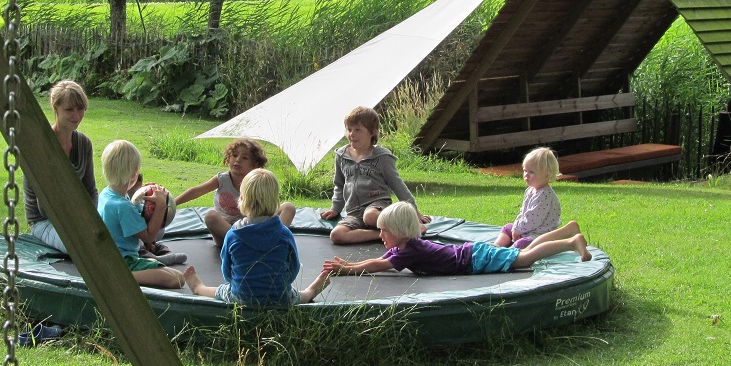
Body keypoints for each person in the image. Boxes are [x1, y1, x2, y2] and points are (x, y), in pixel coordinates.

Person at [323, 201, 590, 278]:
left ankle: (570, 242)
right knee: (523, 252)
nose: (380, 236)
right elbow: (381, 260)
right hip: (471, 253)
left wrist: (347, 269)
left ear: (400, 232)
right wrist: (347, 266)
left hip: (474, 259)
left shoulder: (408, 252)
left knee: (525, 257)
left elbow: (377, 266)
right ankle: (567, 235)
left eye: (384, 232)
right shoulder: (406, 246)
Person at [183, 169, 331, 305]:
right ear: (276, 201)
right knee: (297, 296)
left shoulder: (233, 234)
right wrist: (281, 285)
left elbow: (227, 271)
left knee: (221, 290)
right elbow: (294, 268)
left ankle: (199, 288)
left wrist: (237, 284)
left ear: (241, 199)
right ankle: (311, 291)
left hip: (242, 297)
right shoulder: (284, 233)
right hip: (279, 299)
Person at [320, 106, 429, 244]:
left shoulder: (382, 157)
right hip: (354, 212)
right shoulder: (341, 155)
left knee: (370, 216)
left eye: (357, 130)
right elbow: (339, 184)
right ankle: (383, 234)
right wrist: (335, 208)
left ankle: (406, 227)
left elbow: (397, 185)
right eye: (349, 129)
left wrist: (414, 212)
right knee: (336, 235)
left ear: (372, 132)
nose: (351, 134)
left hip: (378, 207)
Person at [97, 140, 186, 289]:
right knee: (178, 280)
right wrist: (160, 206)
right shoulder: (123, 206)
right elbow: (150, 237)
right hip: (124, 261)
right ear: (134, 172)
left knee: (172, 272)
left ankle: (121, 272)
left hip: (110, 257)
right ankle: (119, 277)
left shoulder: (107, 194)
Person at [175, 138, 296, 247]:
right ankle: (247, 244)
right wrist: (173, 203)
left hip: (253, 227)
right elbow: (197, 191)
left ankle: (277, 240)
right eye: (234, 155)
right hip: (228, 233)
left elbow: (268, 204)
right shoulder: (222, 179)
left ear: (255, 165)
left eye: (245, 158)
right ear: (228, 157)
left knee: (288, 207)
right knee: (210, 216)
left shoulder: (257, 181)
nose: (237, 160)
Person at [23, 80, 97, 253]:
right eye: (69, 109)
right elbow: (44, 207)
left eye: (80, 109)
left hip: (78, 218)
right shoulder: (41, 145)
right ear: (55, 108)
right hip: (44, 221)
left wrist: (92, 220)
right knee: (82, 246)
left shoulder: (84, 143)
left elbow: (91, 190)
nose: (76, 116)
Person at [493, 147, 563, 248]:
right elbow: (523, 212)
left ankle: (506, 254)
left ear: (547, 175)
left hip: (540, 235)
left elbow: (533, 219)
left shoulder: (544, 195)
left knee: (521, 243)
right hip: (528, 230)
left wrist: (518, 230)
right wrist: (515, 227)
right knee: (507, 228)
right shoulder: (530, 190)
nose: (526, 175)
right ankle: (496, 246)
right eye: (525, 171)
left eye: (531, 172)